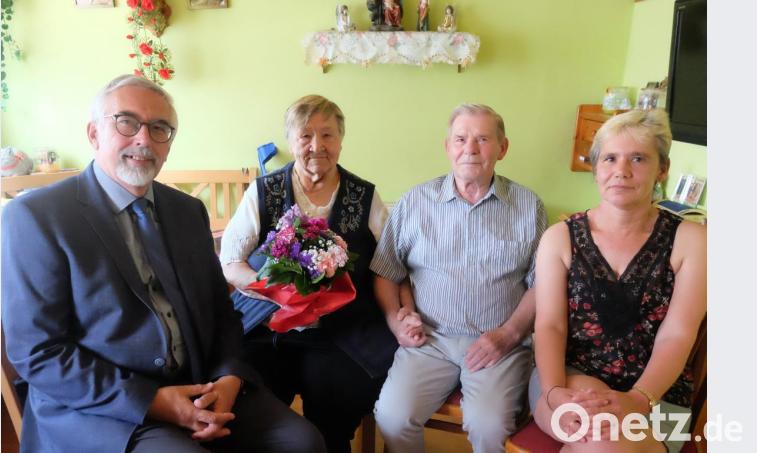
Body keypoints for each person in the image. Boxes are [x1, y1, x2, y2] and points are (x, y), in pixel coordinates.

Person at [1, 74, 325, 453]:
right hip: (102, 408)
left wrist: (229, 379)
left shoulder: (187, 211)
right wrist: (153, 401)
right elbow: (38, 353)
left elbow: (222, 314)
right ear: (93, 134)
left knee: (303, 442)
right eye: (126, 122)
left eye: (160, 129)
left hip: (200, 384)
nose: (143, 139)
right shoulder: (36, 217)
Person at [220, 94, 398, 453]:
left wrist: (398, 312)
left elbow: (389, 264)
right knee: (250, 409)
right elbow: (230, 262)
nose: (317, 145)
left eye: (328, 135)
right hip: (270, 328)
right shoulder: (264, 191)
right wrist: (270, 290)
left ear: (341, 141)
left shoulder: (365, 196)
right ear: (290, 141)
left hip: (342, 333)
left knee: (333, 415)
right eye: (305, 135)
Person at [370, 103, 547, 453]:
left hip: (499, 345)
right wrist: (396, 322)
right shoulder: (415, 202)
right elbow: (386, 271)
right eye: (461, 139)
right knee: (392, 417)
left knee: (490, 427)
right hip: (429, 342)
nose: (470, 149)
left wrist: (510, 334)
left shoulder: (529, 206)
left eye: (483, 139)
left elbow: (543, 283)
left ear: (503, 148)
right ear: (447, 147)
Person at [530, 109, 706, 453]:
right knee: (599, 440)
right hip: (566, 379)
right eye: (610, 158)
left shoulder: (692, 240)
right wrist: (553, 394)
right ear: (596, 168)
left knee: (603, 443)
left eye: (638, 158)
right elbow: (549, 325)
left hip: (660, 395)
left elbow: (678, 333)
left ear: (662, 169)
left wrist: (639, 400)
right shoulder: (559, 238)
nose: (621, 171)